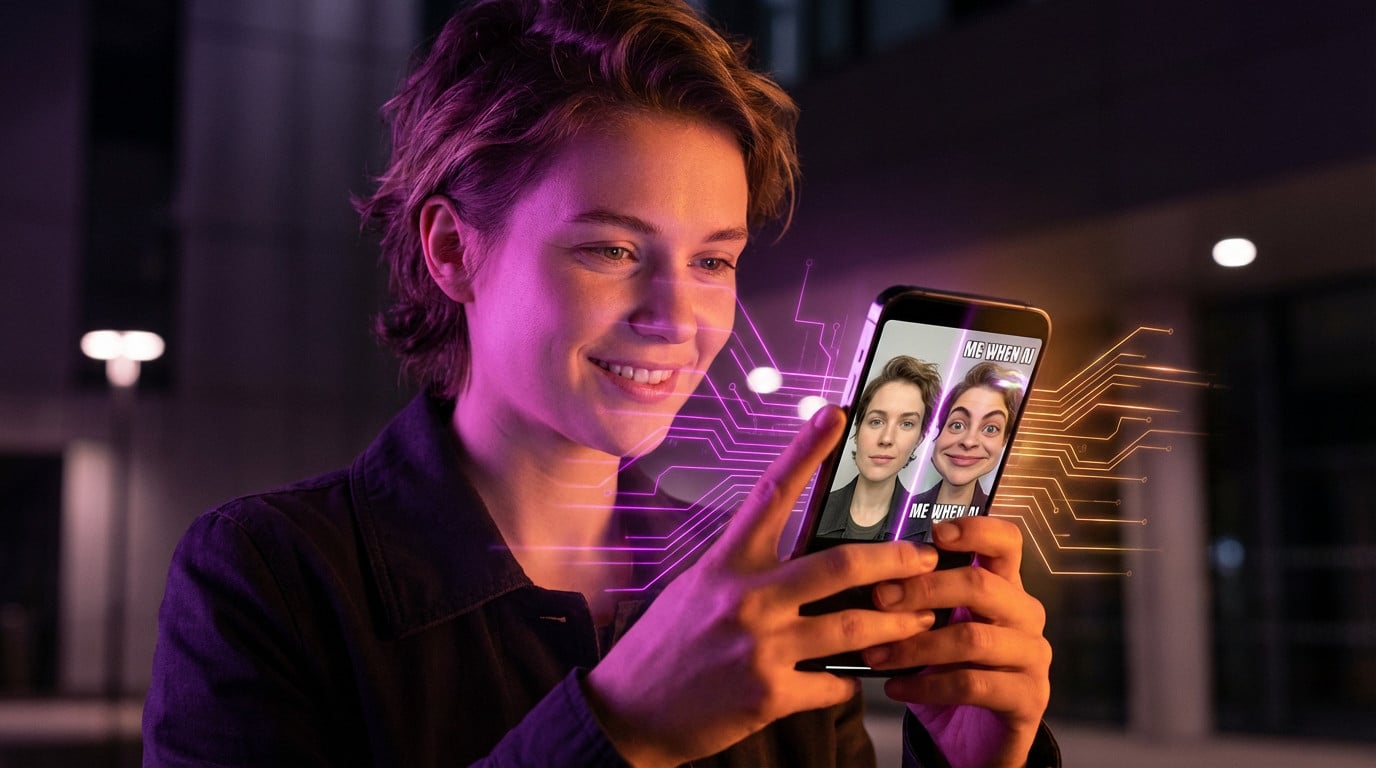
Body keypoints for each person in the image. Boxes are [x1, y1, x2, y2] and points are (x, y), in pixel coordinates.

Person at [142, 2, 1055, 766]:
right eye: (612, 250)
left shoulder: (756, 588)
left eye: (713, 260)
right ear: (455, 250)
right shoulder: (270, 575)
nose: (676, 316)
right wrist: (619, 728)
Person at [815, 355, 942, 542]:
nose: (886, 439)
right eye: (876, 421)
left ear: (919, 438)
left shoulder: (933, 530)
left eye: (906, 424)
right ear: (858, 429)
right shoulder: (811, 512)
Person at [912, 361, 1027, 524]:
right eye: (957, 425)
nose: (969, 441)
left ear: (1004, 440)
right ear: (938, 430)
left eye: (991, 428)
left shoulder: (1009, 524)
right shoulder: (894, 514)